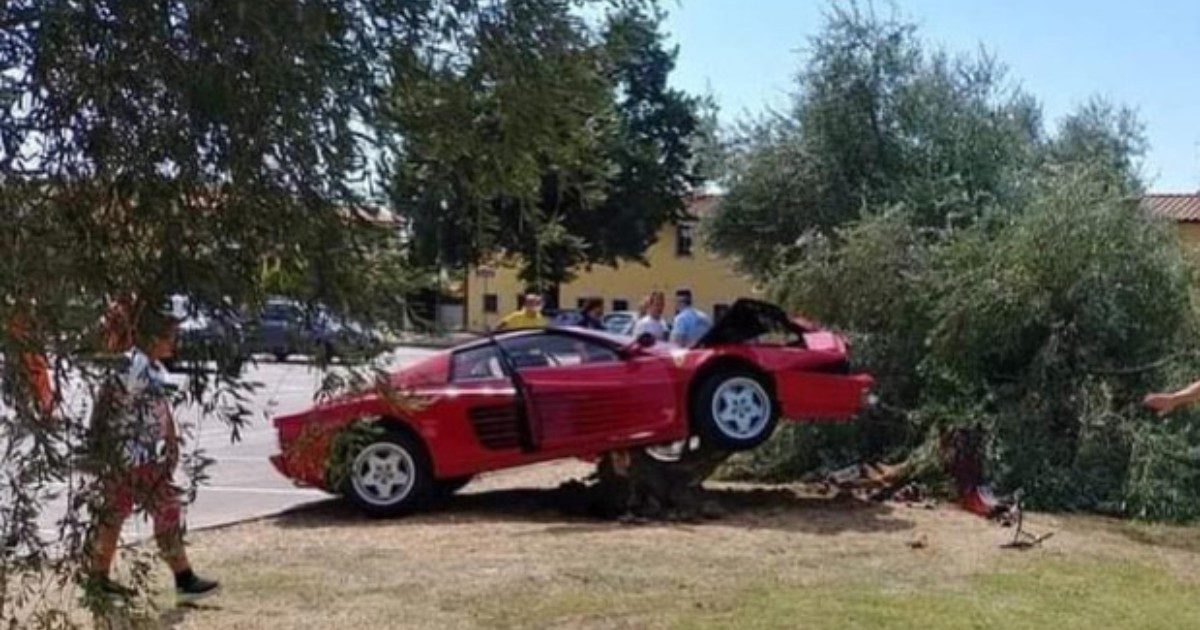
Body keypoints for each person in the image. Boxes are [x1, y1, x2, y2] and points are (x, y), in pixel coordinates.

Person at [87, 307, 219, 604]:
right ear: (153, 337)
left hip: (143, 457)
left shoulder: (153, 367)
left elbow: (160, 407)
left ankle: (100, 579)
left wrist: (170, 440)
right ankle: (182, 579)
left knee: (120, 515)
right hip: (129, 458)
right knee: (154, 511)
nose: (174, 343)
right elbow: (106, 399)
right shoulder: (133, 367)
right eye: (170, 336)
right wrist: (99, 445)